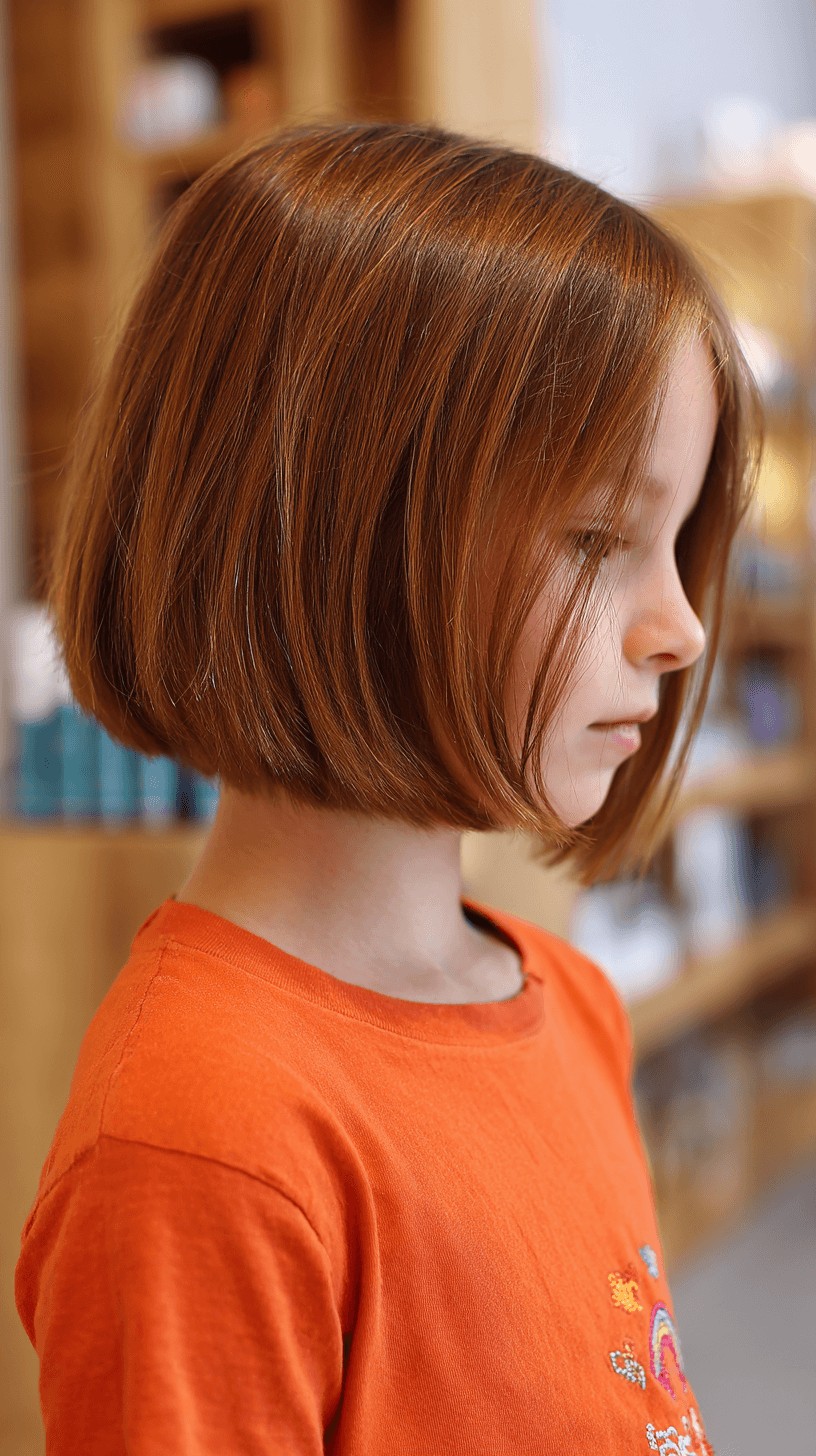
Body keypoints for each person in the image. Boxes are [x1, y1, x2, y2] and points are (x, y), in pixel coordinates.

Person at [15, 119, 762, 1454]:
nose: (683, 628)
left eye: (677, 545)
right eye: (601, 539)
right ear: (330, 539)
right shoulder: (202, 1143)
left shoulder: (570, 1001)